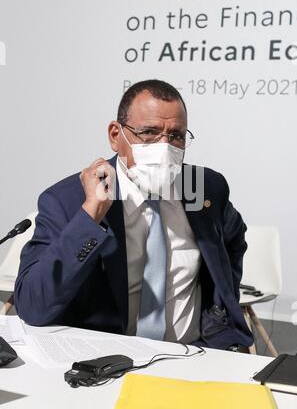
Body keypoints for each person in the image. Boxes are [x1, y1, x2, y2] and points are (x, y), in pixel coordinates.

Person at [14, 79, 253, 350]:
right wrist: (90, 216)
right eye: (149, 132)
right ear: (116, 136)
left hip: (194, 354)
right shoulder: (67, 201)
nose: (164, 147)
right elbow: (33, 306)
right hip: (107, 361)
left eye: (176, 136)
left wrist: (218, 314)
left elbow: (233, 240)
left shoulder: (205, 188)